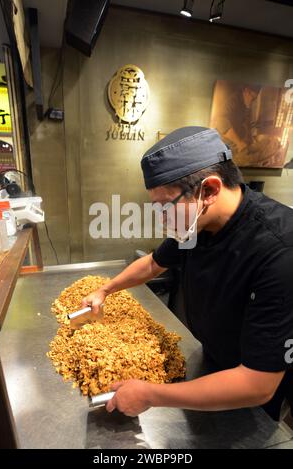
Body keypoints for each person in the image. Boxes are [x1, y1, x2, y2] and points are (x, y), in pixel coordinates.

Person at [82, 126, 293, 419]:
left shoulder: (279, 252)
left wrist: (150, 394)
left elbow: (258, 385)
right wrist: (105, 289)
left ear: (209, 190)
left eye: (165, 207)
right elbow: (154, 263)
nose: (162, 218)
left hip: (255, 386)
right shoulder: (197, 224)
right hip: (214, 359)